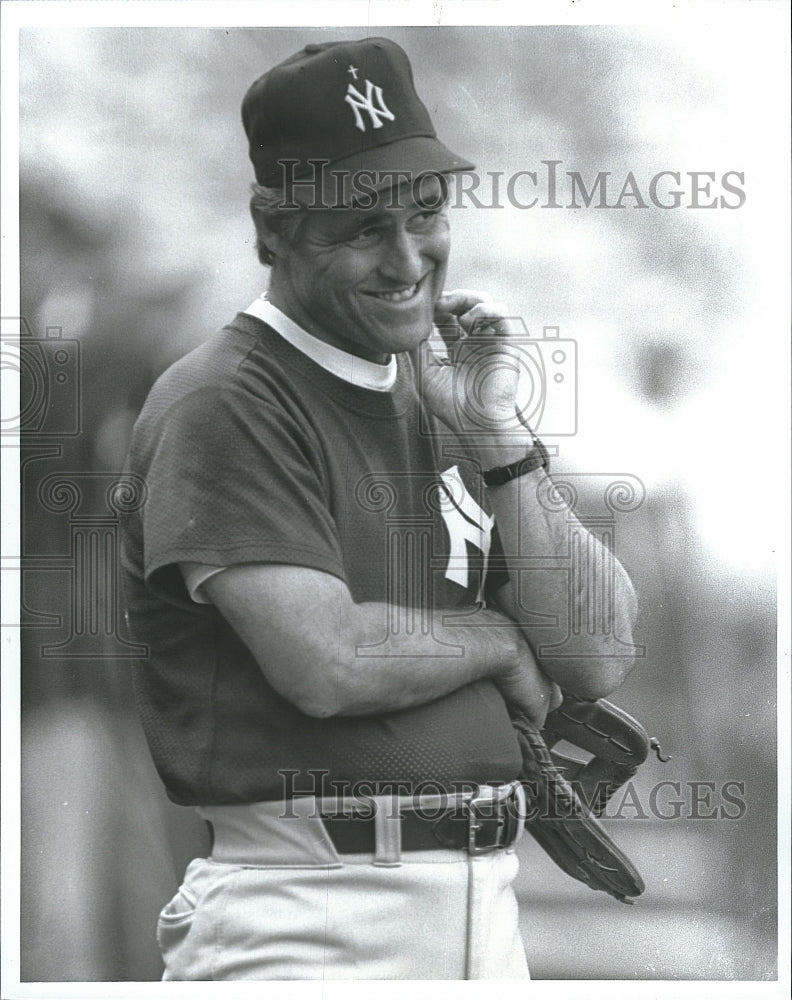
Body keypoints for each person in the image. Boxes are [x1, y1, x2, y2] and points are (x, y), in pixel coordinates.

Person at [120, 36, 638, 981]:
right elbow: (327, 660)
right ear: (272, 231)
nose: (409, 260)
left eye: (427, 214)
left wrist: (500, 441)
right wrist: (498, 642)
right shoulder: (227, 399)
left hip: (489, 910)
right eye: (364, 229)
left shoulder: (444, 387)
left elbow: (599, 653)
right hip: (308, 915)